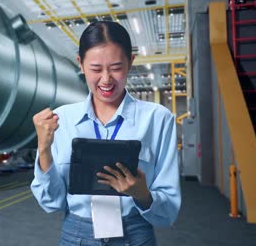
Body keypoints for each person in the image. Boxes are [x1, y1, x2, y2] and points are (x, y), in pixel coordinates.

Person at [31, 21, 181, 246]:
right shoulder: (60, 120)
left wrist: (142, 194)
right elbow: (51, 203)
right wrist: (43, 148)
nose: (106, 79)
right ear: (80, 64)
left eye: (116, 67)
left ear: (131, 62)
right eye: (96, 69)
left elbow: (168, 211)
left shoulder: (158, 119)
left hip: (135, 233)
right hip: (76, 235)